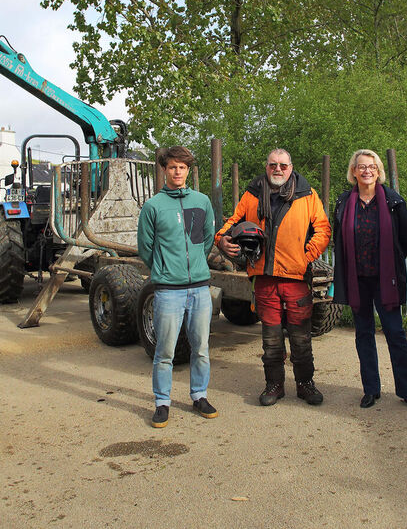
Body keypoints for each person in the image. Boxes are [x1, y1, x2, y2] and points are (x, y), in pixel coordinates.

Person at [216, 149, 332, 406]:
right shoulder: (253, 194)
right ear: (266, 167)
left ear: (291, 167)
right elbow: (232, 222)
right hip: (265, 278)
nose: (277, 169)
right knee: (271, 339)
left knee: (301, 337)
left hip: (296, 278)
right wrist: (222, 239)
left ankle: (305, 384)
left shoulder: (307, 195)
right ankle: (274, 385)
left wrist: (306, 256)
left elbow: (323, 230)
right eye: (272, 165)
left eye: (282, 165)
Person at [331, 150, 407, 412]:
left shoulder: (394, 201)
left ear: (379, 170)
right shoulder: (343, 202)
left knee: (395, 333)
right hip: (357, 279)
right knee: (363, 334)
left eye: (371, 166)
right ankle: (371, 389)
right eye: (361, 167)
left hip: (386, 280)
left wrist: (389, 265)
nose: (366, 171)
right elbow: (338, 238)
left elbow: (405, 240)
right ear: (353, 172)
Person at [137, 146, 217, 428]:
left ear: (188, 170)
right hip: (168, 290)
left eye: (182, 167)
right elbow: (145, 247)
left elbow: (207, 239)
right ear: (165, 170)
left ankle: (199, 395)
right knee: (165, 350)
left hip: (199, 288)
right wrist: (163, 268)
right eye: (172, 167)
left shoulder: (202, 201)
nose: (177, 172)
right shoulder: (153, 206)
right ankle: (162, 402)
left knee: (201, 347)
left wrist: (195, 265)